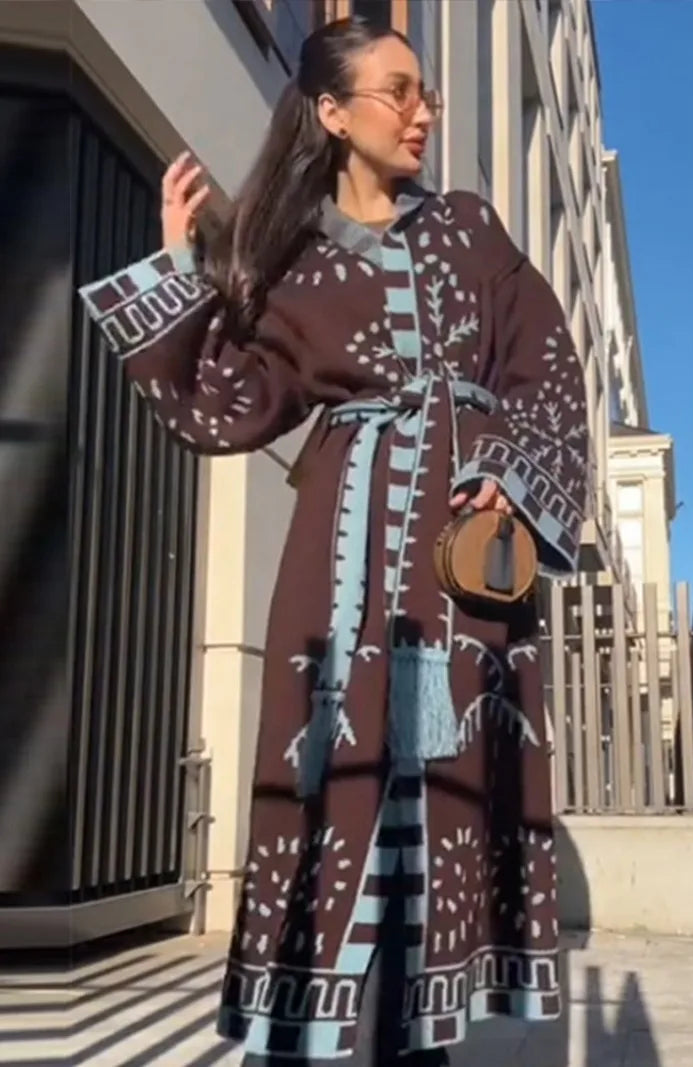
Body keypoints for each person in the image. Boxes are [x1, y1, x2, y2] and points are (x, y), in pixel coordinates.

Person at [78, 17, 588, 1066]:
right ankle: (296, 1035)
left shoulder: (471, 231)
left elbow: (550, 365)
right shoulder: (297, 258)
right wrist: (180, 268)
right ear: (330, 112)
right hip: (344, 563)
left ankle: (418, 1042)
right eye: (397, 92)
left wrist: (509, 468)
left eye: (424, 92)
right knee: (330, 780)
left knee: (434, 791)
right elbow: (231, 402)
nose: (421, 111)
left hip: (463, 556)